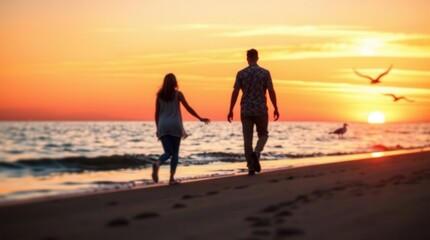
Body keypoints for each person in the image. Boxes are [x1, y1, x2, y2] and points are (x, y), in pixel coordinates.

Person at [227, 49, 279, 175]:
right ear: (257, 58)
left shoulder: (241, 74)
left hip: (246, 110)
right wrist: (276, 107)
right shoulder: (265, 73)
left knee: (247, 140)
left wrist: (230, 109)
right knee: (263, 134)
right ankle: (256, 152)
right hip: (261, 109)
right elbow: (271, 91)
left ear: (247, 58)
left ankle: (250, 167)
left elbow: (235, 92)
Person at [153, 73, 210, 185]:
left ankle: (158, 162)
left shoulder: (159, 96)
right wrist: (200, 118)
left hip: (163, 125)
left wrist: (158, 128)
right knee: (175, 153)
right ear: (175, 83)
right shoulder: (178, 95)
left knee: (168, 152)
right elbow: (188, 108)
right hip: (175, 125)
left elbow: (157, 113)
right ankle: (171, 179)